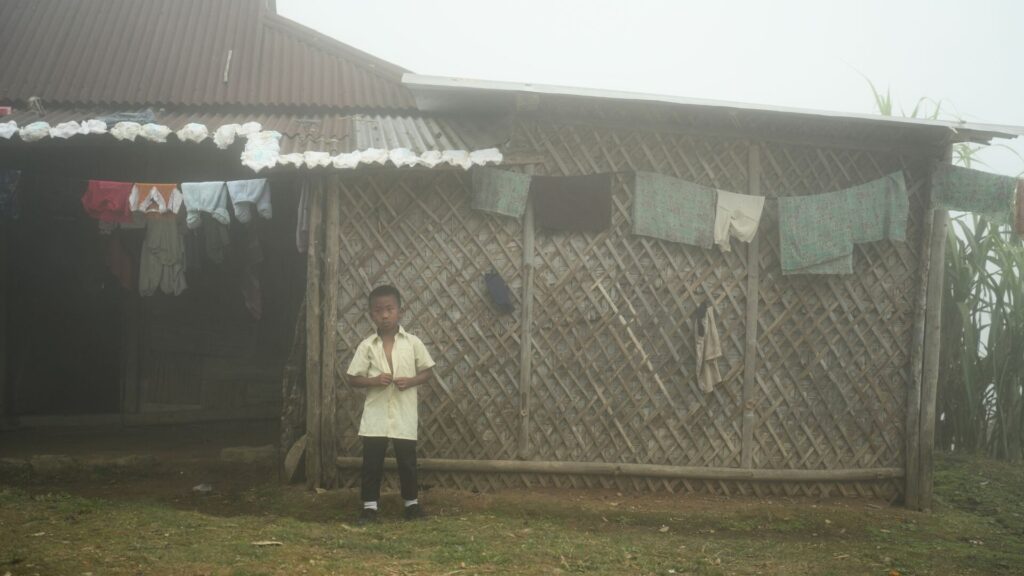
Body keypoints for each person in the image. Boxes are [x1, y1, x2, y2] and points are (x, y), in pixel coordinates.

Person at [346, 284, 435, 523]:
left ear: (399, 311)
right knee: (371, 462)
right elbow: (353, 378)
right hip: (376, 415)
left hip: (404, 413)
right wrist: (374, 380)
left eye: (389, 309)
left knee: (407, 461)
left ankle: (411, 505)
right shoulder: (367, 346)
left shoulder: (412, 342)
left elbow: (427, 371)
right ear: (371, 314)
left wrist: (412, 380)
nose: (384, 315)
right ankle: (369, 507)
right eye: (378, 310)